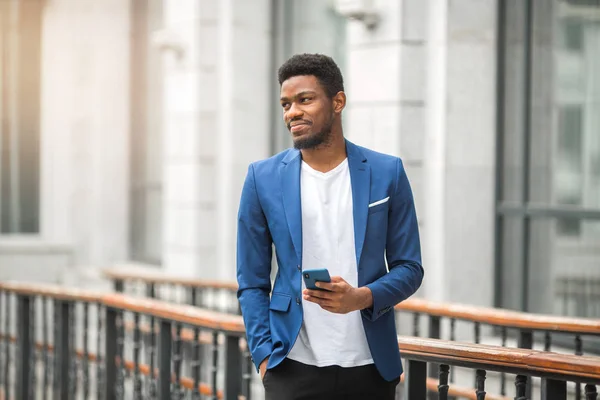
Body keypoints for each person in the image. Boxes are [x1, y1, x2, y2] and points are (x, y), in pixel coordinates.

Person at [236, 53, 424, 400]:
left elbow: (410, 267)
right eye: (285, 104)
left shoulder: (387, 172)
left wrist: (362, 297)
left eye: (305, 99)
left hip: (370, 366)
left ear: (338, 102)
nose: (292, 112)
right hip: (291, 365)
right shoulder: (261, 178)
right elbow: (251, 280)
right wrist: (264, 356)